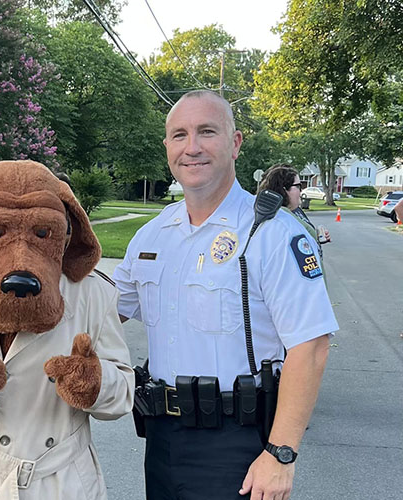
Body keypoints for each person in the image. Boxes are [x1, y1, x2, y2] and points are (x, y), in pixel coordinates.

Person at [112, 90, 338, 500]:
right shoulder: (152, 235)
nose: (192, 147)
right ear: (167, 147)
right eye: (179, 135)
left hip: (239, 446)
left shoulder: (272, 233)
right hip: (161, 440)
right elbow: (104, 309)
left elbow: (312, 346)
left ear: (234, 144)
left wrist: (280, 453)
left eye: (207, 132)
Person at [259, 163, 330, 262]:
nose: (301, 191)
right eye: (298, 186)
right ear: (283, 189)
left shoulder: (296, 211)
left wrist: (316, 235)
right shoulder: (276, 222)